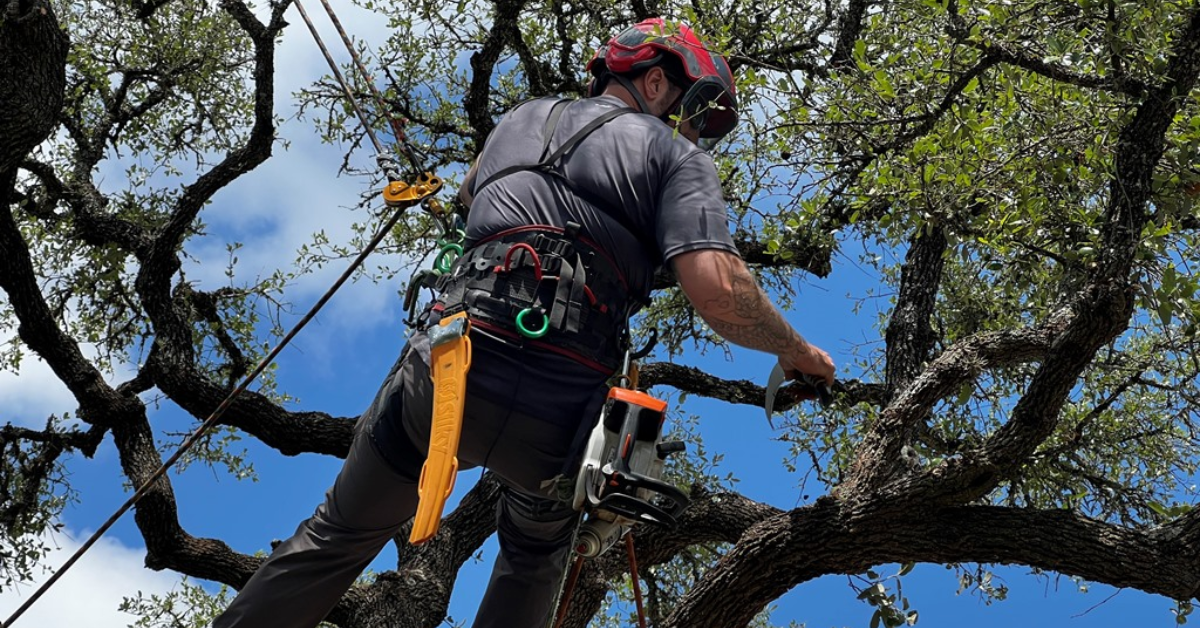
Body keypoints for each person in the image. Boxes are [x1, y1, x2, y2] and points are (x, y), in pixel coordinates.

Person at [211, 16, 835, 628]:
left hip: (447, 373)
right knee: (535, 559)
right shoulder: (674, 156)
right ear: (652, 83)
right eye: (693, 109)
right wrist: (798, 350)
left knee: (335, 535)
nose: (695, 131)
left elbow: (468, 199)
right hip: (557, 408)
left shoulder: (518, 120)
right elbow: (717, 290)